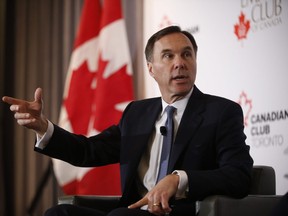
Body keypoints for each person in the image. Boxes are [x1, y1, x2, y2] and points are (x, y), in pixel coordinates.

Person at [2, 25, 253, 216]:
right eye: (168, 56)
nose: (179, 63)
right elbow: (89, 151)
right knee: (60, 213)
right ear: (151, 68)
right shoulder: (137, 113)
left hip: (182, 212)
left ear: (195, 62)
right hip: (132, 212)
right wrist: (44, 128)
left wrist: (179, 180)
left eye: (187, 55)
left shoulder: (221, 112)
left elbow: (239, 175)